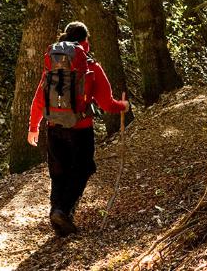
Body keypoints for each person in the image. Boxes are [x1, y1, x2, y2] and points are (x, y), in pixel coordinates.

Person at [27, 21, 130, 236]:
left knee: (59, 172)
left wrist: (33, 127)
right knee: (82, 169)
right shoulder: (91, 66)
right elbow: (106, 103)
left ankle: (58, 214)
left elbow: (39, 99)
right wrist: (124, 106)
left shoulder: (52, 67)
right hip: (80, 128)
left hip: (53, 126)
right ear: (85, 41)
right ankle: (62, 210)